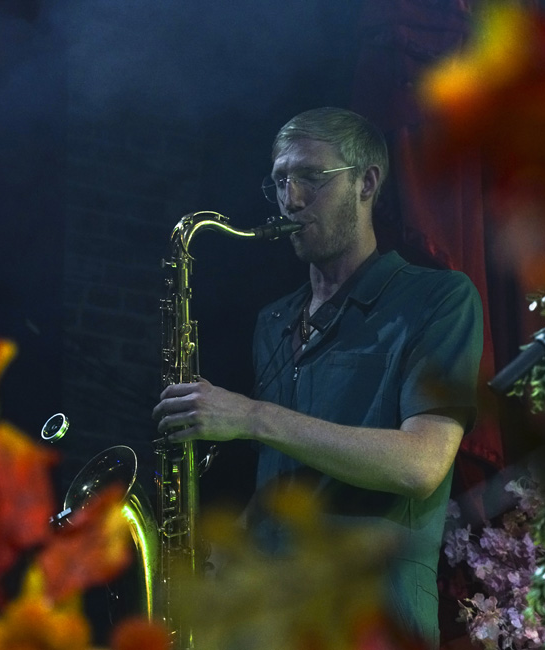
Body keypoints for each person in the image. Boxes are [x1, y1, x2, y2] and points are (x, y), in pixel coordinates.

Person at [152, 107, 483, 645]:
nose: (292, 197)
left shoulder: (438, 299)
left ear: (367, 182)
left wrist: (252, 415)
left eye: (310, 176)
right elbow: (289, 479)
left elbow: (421, 465)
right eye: (281, 179)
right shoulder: (274, 321)